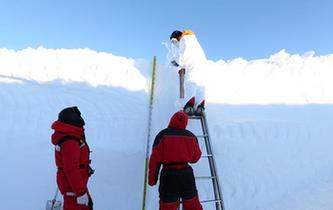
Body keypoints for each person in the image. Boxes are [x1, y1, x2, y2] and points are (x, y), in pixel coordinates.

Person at [148, 111, 203, 210]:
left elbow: (155, 160)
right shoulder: (191, 136)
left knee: (168, 206)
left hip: (168, 176)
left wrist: (152, 180)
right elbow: (196, 157)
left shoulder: (162, 135)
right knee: (192, 205)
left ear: (171, 120)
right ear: (185, 123)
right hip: (187, 175)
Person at [51, 106, 94, 210]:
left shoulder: (71, 136)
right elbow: (71, 169)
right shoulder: (70, 142)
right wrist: (81, 192)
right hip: (74, 188)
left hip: (76, 185)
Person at [169, 29, 207, 115]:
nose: (175, 43)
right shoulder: (193, 41)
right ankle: (200, 107)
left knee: (191, 83)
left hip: (193, 65)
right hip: (203, 66)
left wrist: (176, 62)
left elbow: (183, 54)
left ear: (179, 36)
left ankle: (188, 105)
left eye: (174, 40)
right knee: (200, 86)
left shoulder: (185, 40)